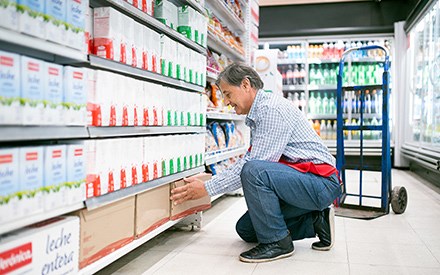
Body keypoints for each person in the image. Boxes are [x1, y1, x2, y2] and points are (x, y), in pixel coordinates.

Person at [170, 63, 341, 263]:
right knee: (247, 229)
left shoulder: (271, 110)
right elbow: (249, 161)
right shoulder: (260, 112)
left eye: (227, 94)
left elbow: (254, 167)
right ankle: (316, 221)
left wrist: (207, 188)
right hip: (303, 182)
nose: (226, 102)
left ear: (245, 84)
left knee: (254, 171)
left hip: (320, 183)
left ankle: (278, 243)